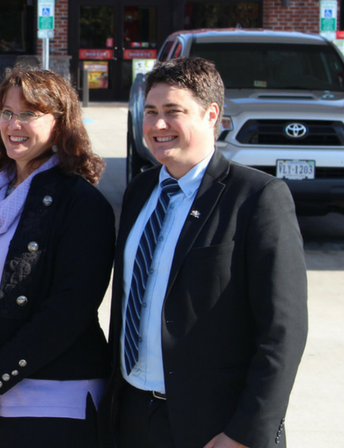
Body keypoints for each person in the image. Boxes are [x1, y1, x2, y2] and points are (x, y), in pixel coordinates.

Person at [103, 57, 308, 448]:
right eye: (150, 112)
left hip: (215, 427)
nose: (158, 125)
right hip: (132, 416)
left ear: (211, 114)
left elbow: (283, 330)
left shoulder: (257, 197)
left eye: (172, 112)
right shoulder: (140, 191)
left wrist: (246, 433)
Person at [0, 67, 114, 447]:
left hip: (55, 407)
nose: (13, 124)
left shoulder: (83, 205)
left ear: (61, 123)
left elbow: (67, 311)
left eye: (28, 114)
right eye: (6, 112)